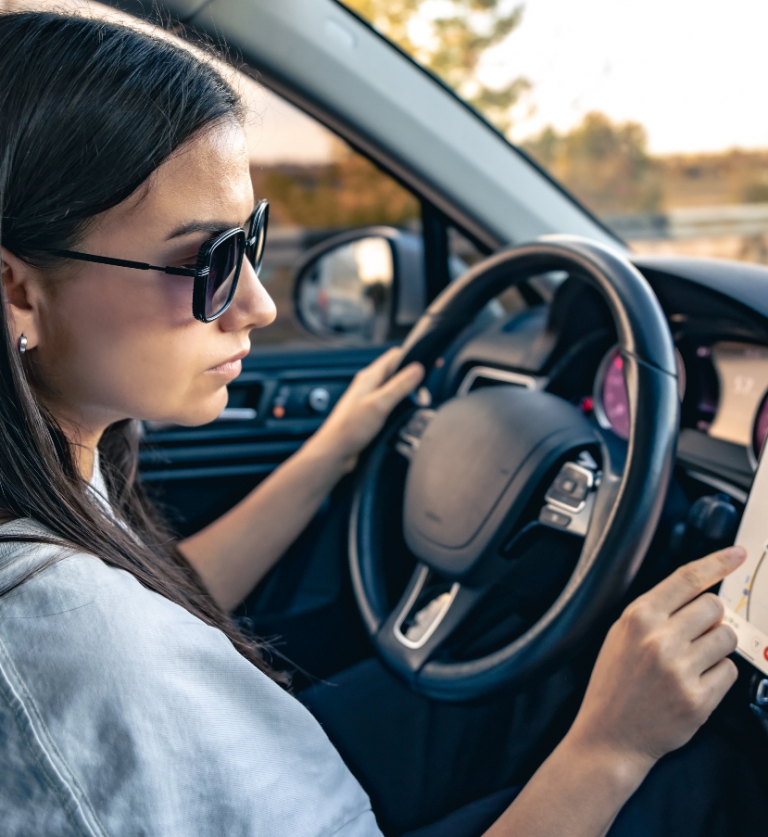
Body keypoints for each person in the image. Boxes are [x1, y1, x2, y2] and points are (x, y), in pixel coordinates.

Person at [0, 11, 756, 837]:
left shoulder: (56, 498)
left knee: (526, 678)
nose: (260, 304)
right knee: (712, 776)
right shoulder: (79, 644)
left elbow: (166, 595)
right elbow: (119, 634)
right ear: (18, 291)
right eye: (205, 262)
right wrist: (610, 747)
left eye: (250, 240)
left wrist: (332, 450)